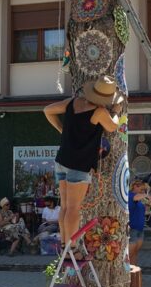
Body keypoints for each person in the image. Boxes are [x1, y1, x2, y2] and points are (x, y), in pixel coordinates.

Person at [44, 76, 123, 257]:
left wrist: (61, 129)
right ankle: (72, 249)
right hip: (79, 164)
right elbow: (112, 127)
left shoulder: (72, 102)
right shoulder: (99, 111)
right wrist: (117, 111)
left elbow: (47, 110)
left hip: (62, 160)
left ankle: (65, 245)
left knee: (64, 207)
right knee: (73, 209)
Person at [128, 179, 151, 265]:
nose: (143, 191)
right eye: (142, 189)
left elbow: (146, 210)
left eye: (144, 190)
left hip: (139, 229)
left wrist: (148, 203)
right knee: (129, 255)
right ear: (135, 186)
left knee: (134, 254)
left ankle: (134, 275)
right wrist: (146, 195)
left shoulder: (140, 197)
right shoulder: (131, 195)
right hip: (132, 229)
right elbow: (135, 198)